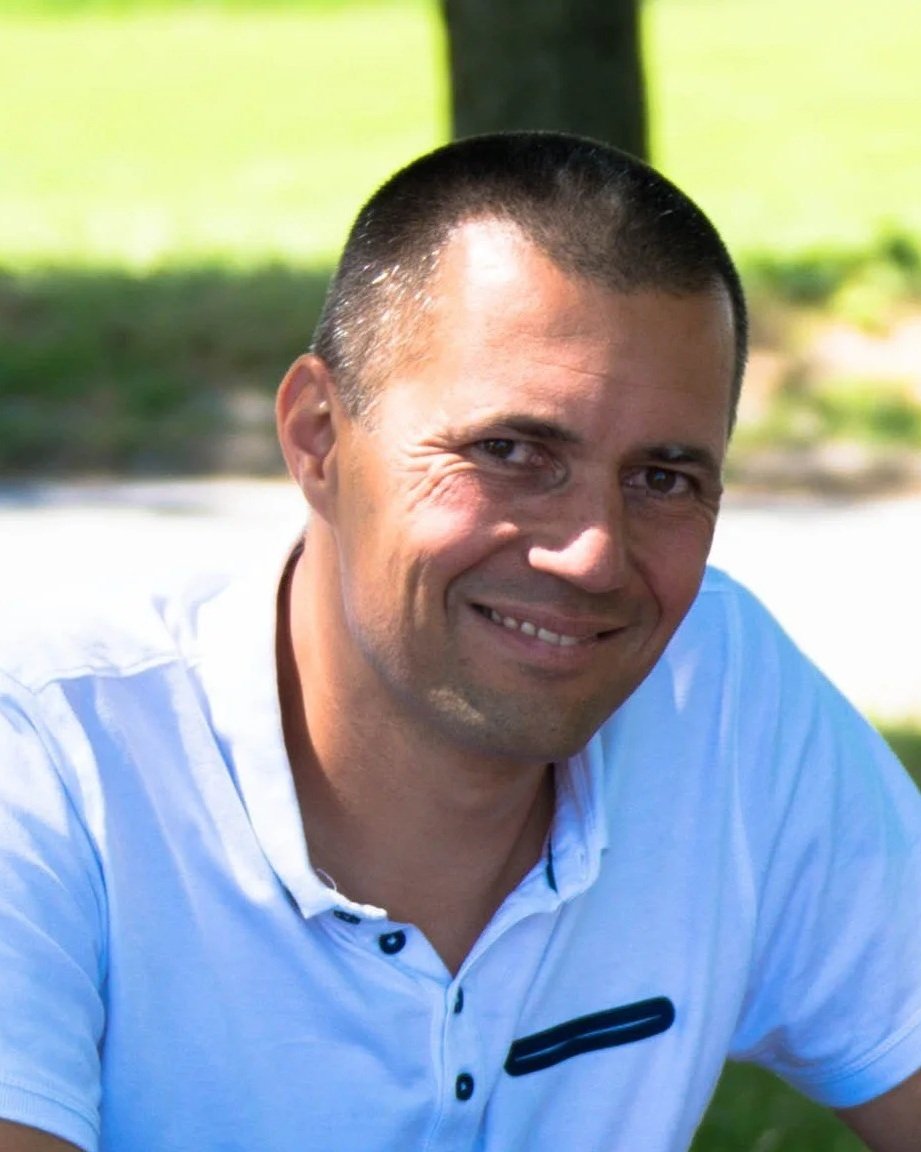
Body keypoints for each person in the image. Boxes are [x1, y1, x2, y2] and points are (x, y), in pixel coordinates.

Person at [1, 133, 919, 1152]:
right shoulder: (51, 764)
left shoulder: (720, 690)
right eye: (513, 451)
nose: (593, 556)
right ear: (318, 437)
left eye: (663, 477)